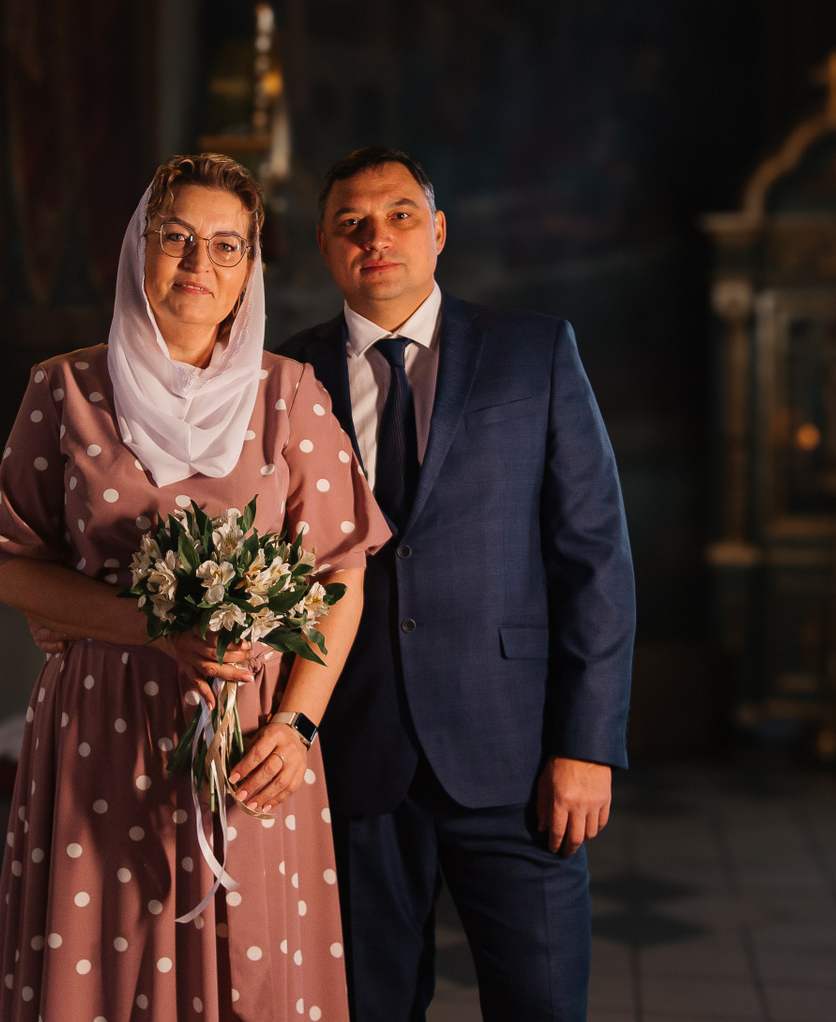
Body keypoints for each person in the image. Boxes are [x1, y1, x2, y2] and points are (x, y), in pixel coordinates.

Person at [0, 152, 391, 1022]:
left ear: (250, 268)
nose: (200, 264)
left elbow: (341, 570)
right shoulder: (65, 388)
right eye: (177, 238)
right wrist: (148, 627)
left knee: (249, 973)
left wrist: (297, 725)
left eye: (227, 246)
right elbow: (7, 564)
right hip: (102, 724)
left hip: (253, 736)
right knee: (105, 965)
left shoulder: (288, 393)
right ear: (139, 248)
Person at [276, 146, 637, 1022]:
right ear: (325, 246)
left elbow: (594, 555)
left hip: (515, 758)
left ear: (438, 231)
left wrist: (588, 744)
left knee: (542, 1006)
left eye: (399, 215)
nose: (377, 237)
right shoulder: (284, 378)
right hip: (353, 760)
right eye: (351, 223)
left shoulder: (534, 352)